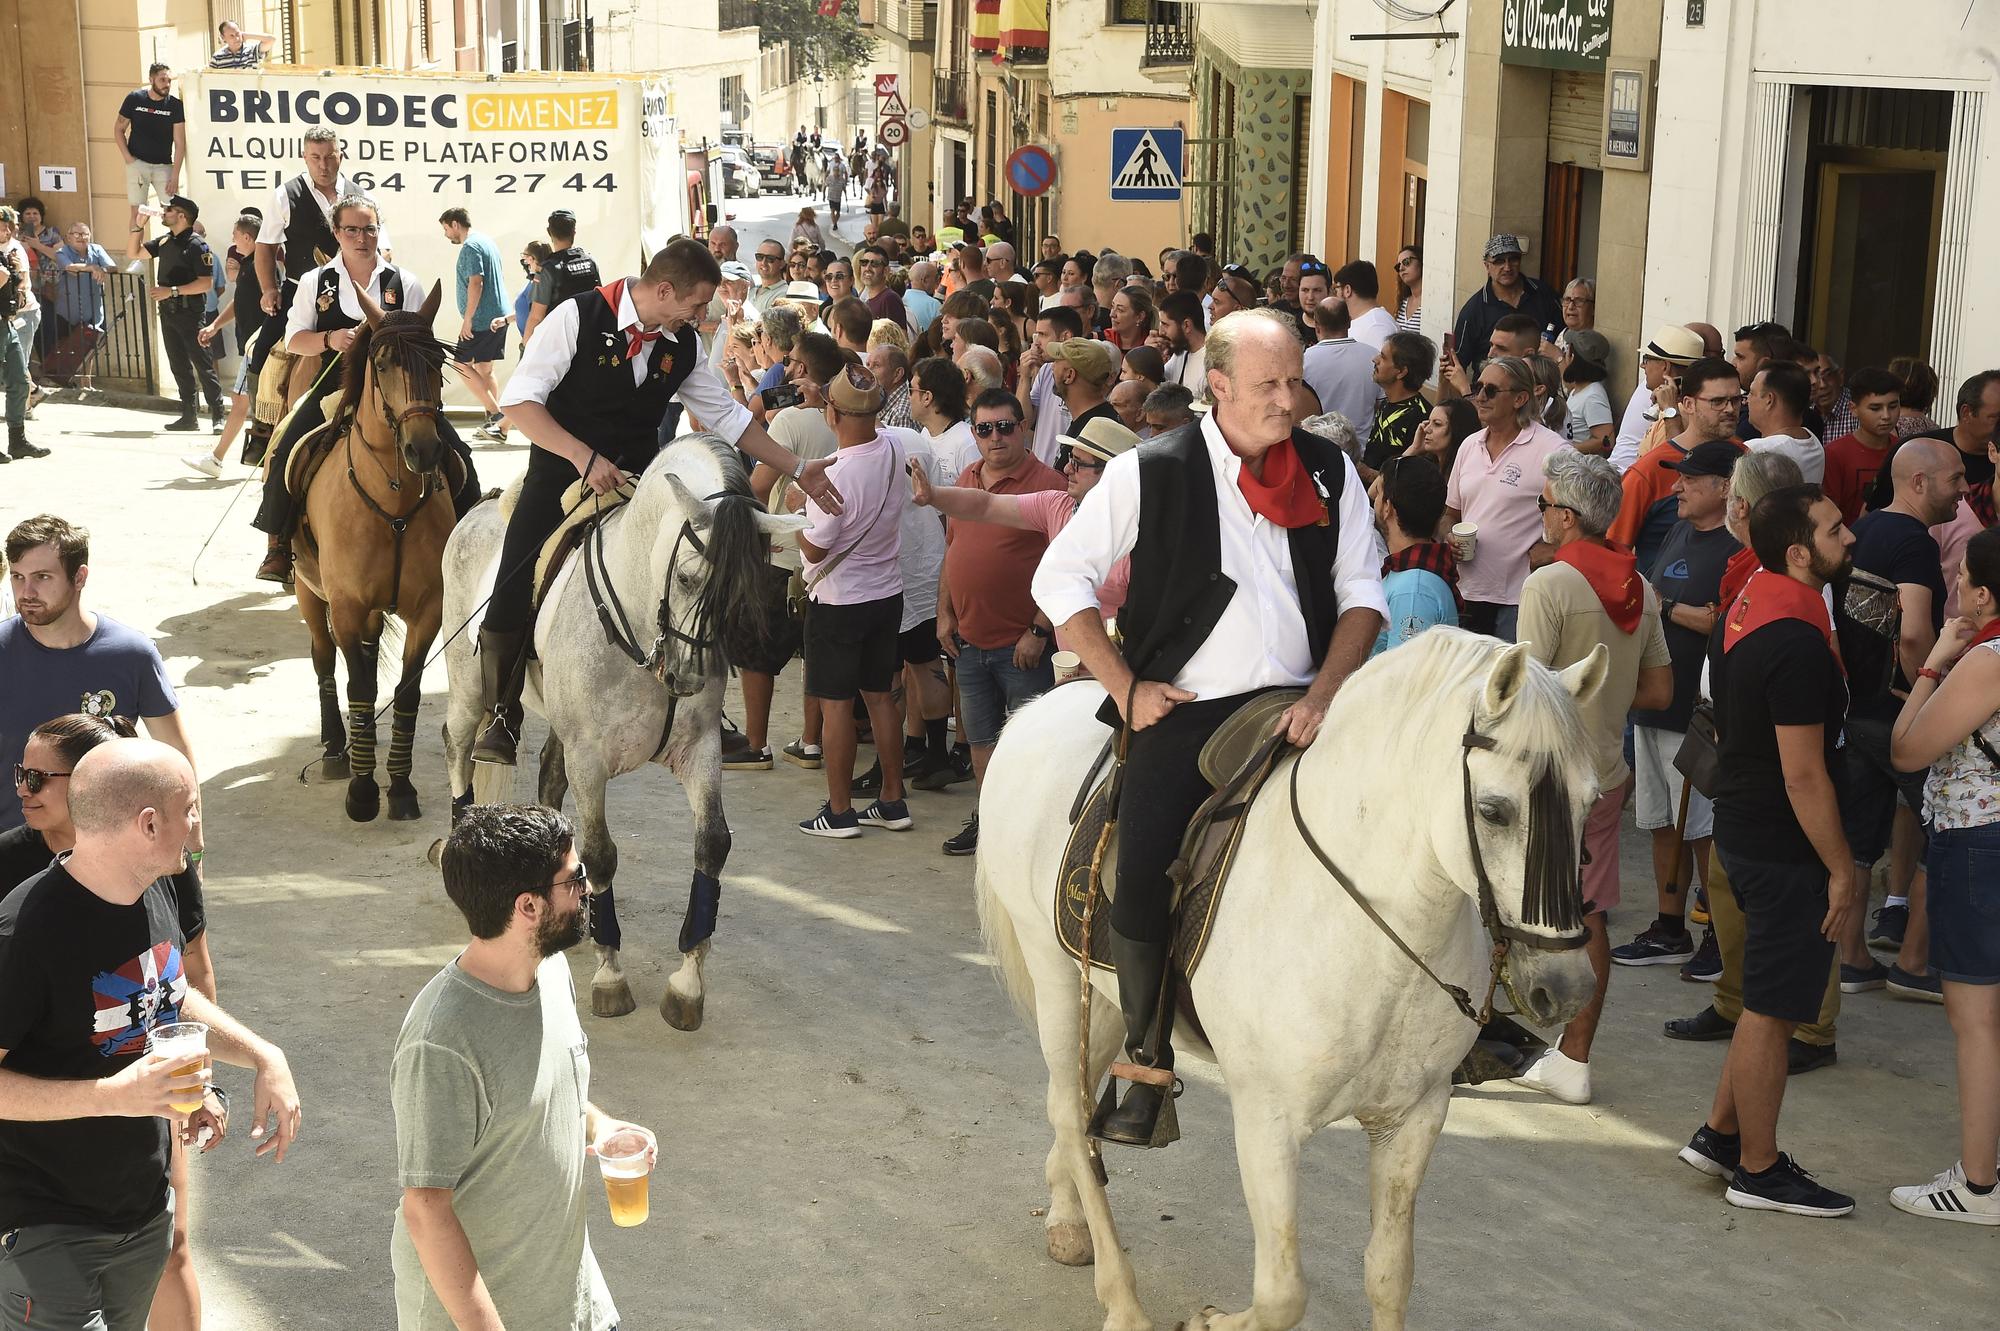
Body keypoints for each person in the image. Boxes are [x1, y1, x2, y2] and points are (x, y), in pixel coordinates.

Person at [1033, 308, 1387, 1147]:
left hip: (1309, 699)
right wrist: (1123, 688)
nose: (1289, 400)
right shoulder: (1151, 472)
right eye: (1269, 384)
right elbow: (1061, 578)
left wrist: (1327, 694)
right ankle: (1149, 1060)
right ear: (1217, 385)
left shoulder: (1329, 471)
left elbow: (1363, 595)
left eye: (1295, 381)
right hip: (1191, 708)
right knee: (1148, 854)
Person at [472, 240, 842, 766]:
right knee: (515, 572)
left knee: (697, 567)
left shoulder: (682, 342)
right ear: (664, 289)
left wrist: (799, 467)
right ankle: (502, 712)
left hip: (642, 479)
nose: (702, 315)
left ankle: (705, 704)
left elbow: (729, 419)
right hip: (561, 471)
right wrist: (582, 456)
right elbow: (518, 401)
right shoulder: (575, 316)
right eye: (697, 304)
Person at [0, 738, 302, 1329]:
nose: (196, 824)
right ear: (147, 823)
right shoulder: (23, 936)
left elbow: (163, 989)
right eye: (189, 808)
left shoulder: (152, 884)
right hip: (46, 1227)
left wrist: (261, 1055)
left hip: (142, 1210)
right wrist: (114, 1096)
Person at [394, 803, 650, 1328]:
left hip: (574, 1304)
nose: (587, 887)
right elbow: (425, 1208)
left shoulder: (550, 973)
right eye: (574, 878)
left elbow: (546, 1098)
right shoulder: (441, 1041)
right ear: (529, 907)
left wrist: (603, 1128)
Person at [1677, 484, 1859, 1218]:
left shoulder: (1750, 602)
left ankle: (1721, 1135)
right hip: (1785, 848)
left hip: (1743, 830)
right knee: (1774, 1011)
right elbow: (1804, 771)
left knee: (1761, 999)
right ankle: (1758, 1167)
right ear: (1798, 551)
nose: (1850, 538)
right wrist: (1844, 868)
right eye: (1837, 529)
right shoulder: (1796, 639)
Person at [1508, 452, 1674, 1106]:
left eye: (1543, 504)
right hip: (1603, 772)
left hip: (1542, 775)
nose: (1540, 514)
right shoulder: (1642, 588)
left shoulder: (1548, 585)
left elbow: (1523, 693)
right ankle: (1573, 1055)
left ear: (1567, 516)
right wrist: (1602, 700)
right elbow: (1659, 690)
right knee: (1588, 911)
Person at [1885, 526, 2000, 1223]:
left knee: (1976, 1018)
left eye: (1962, 577)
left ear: (1984, 593)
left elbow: (1907, 747)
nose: (1953, 585)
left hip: (1978, 843)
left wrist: (1932, 664)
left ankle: (1980, 1184)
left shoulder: (1986, 660)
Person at [248, 195, 450, 584]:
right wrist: (330, 339)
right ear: (337, 233)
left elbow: (424, 342)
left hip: (396, 391)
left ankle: (463, 532)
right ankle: (278, 546)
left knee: (454, 451)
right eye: (352, 230)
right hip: (334, 390)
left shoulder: (404, 282)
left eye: (370, 229)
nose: (362, 237)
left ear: (379, 232)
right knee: (286, 446)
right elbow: (294, 340)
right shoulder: (314, 281)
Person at [1832, 438, 1965, 999]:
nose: (1963, 489)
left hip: (1854, 711)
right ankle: (1914, 963)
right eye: (1955, 478)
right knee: (1947, 832)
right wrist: (1929, 701)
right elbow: (1913, 631)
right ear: (1918, 482)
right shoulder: (1912, 543)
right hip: (1896, 715)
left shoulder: (1861, 530)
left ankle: (1852, 958)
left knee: (1859, 840)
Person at [1613, 441, 1743, 970]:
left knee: (1704, 829)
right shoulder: (1678, 529)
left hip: (1697, 712)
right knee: (1661, 821)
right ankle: (1670, 927)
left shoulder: (1738, 546)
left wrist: (1662, 605)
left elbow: (1724, 619)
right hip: (1652, 703)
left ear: (1725, 487)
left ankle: (1718, 933)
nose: (1677, 487)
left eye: (1689, 479)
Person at [2, 514, 197, 832]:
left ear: (79, 578)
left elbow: (175, 751)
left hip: (108, 850)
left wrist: (192, 837)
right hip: (11, 852)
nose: (27, 592)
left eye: (42, 577)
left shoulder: (131, 654)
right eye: (17, 577)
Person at [933, 389, 1066, 853]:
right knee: (981, 742)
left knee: (1028, 746)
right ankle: (989, 823)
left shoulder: (1049, 485)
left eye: (1005, 427)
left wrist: (1038, 630)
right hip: (969, 642)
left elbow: (1064, 568)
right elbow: (953, 551)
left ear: (1023, 428)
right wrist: (944, 613)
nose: (996, 438)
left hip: (1022, 645)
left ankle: (1027, 837)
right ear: (974, 434)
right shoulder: (966, 479)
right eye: (985, 429)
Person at [788, 368, 913, 837]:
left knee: (835, 704)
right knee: (880, 697)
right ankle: (892, 800)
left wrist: (796, 508)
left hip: (839, 601)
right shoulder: (896, 446)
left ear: (832, 414)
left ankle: (839, 811)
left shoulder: (832, 473)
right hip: (887, 592)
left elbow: (815, 549)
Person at [911, 415, 1137, 656]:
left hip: (1119, 672)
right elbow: (986, 505)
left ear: (1111, 473)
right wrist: (932, 495)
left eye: (1079, 463)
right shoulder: (1058, 506)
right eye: (1071, 458)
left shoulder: (1137, 537)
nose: (1067, 468)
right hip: (1070, 669)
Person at [1443, 355, 1568, 640]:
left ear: (1520, 398)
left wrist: (1555, 551)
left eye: (1491, 390)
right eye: (1478, 387)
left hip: (1519, 599)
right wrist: (1448, 535)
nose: (1480, 397)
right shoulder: (1469, 445)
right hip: (1466, 593)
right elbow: (1450, 514)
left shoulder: (1552, 451)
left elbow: (1588, 518)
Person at [1606, 358, 1743, 570]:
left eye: (1736, 400)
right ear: (1688, 404)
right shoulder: (1649, 471)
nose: (1730, 409)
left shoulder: (1746, 459)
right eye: (1717, 401)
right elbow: (1614, 553)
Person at [184, 213, 266, 476]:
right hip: (255, 348)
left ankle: (217, 459)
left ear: (247, 237)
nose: (232, 239)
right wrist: (215, 325)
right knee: (246, 403)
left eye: (235, 235)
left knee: (241, 402)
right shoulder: (251, 266)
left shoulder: (260, 267)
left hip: (259, 348)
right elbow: (239, 302)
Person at [1870, 370, 2000, 525]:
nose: (1964, 487)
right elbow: (1877, 514)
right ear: (1967, 413)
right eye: (1996, 417)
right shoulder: (1915, 451)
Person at [143, 196, 222, 434]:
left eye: (170, 209)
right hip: (168, 313)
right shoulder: (165, 241)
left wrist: (172, 291)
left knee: (202, 364)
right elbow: (134, 251)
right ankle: (189, 415)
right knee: (178, 364)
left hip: (190, 312)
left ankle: (217, 414)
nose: (164, 212)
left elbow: (206, 283)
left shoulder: (197, 245)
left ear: (182, 215)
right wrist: (137, 224)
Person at [1371, 453, 1460, 657]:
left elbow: (1403, 677)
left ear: (1387, 508)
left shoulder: (1413, 590)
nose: (1373, 498)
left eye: (1379, 492)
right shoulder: (1413, 575)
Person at [438, 207, 509, 439]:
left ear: (455, 224)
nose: (446, 235)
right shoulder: (486, 241)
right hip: (497, 315)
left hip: (480, 319)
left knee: (460, 363)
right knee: (485, 368)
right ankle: (494, 426)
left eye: (446, 229)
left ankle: (497, 415)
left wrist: (467, 319)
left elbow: (476, 282)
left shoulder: (470, 247)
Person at [1450, 234, 1560, 379]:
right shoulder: (1473, 310)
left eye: (1513, 259)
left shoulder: (1543, 293)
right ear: (1487, 266)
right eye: (1499, 261)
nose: (1507, 267)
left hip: (1540, 386)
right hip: (1491, 392)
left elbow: (1564, 334)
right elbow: (1457, 365)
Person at [116, 64, 186, 265]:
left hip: (164, 165)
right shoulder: (135, 99)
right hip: (137, 163)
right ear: (152, 79)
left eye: (169, 80)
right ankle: (135, 251)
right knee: (137, 211)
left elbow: (180, 143)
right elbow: (118, 129)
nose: (167, 84)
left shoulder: (174, 105)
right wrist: (128, 158)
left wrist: (175, 174)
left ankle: (180, 250)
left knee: (174, 208)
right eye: (163, 80)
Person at [1821, 366, 1905, 524]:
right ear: (1853, 409)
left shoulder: (1904, 450)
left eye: (1893, 406)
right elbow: (1829, 515)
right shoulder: (1834, 454)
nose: (1886, 416)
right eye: (1875, 408)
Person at [1614, 325, 1705, 472]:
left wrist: (1670, 412)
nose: (1642, 365)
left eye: (1646, 359)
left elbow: (1670, 465)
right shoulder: (1688, 402)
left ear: (1665, 366)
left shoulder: (1677, 412)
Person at [0, 210, 44, 463]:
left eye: (9, 227)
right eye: (3, 227)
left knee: (19, 380)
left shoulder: (14, 249)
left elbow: (22, 285)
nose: (7, 232)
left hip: (9, 321)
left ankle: (17, 440)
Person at [1019, 298, 1083, 466]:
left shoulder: (1087, 375)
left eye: (1043, 335)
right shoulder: (1046, 371)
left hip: (1069, 473)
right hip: (1039, 472)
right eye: (1036, 335)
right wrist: (1025, 378)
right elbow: (1024, 421)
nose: (1036, 342)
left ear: (1065, 337)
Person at [521, 210, 599, 344]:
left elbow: (536, 317)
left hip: (559, 343)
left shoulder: (549, 269)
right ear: (574, 231)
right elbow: (599, 301)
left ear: (549, 232)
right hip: (588, 338)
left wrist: (525, 348)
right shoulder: (590, 262)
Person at [1362, 331, 1434, 474]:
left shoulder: (1422, 418)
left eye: (1383, 357)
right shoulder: (1386, 404)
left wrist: (1368, 474)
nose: (1375, 360)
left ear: (1401, 372)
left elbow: (1413, 476)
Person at [1300, 298, 1379, 429]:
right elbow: (1381, 404)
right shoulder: (1373, 356)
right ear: (1349, 321)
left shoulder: (1304, 360)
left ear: (1317, 326)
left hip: (1321, 444)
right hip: (1364, 445)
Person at [1744, 360, 1824, 483]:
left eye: (1752, 393)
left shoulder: (1758, 451)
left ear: (1769, 400)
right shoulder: (1814, 444)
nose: (1746, 400)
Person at [1047, 337, 1120, 441]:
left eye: (1057, 361)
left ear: (1069, 375)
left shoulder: (1093, 435)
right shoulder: (1101, 421)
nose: (1052, 367)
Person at [1559, 329, 1616, 455]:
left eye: (1567, 350)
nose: (1564, 354)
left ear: (1572, 357)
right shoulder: (1578, 390)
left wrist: (1564, 450)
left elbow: (1606, 441)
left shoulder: (1593, 395)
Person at [1335, 260, 1397, 350]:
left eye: (1336, 288)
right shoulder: (1367, 322)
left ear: (1347, 290)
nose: (1335, 294)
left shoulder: (1377, 327)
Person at [1155, 290, 1206, 395]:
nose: (1161, 331)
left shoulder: (1211, 363)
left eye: (1165, 324)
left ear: (1186, 325)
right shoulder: (1180, 353)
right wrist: (1152, 355)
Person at [208, 19, 277, 67]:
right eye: (232, 36)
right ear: (223, 37)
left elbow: (272, 40)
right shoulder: (217, 57)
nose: (237, 38)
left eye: (237, 34)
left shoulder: (252, 50)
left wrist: (246, 35)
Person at [1392, 245, 1423, 334]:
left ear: (1420, 263)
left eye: (1406, 262)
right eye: (1398, 266)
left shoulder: (1429, 303)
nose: (1401, 268)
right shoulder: (1402, 303)